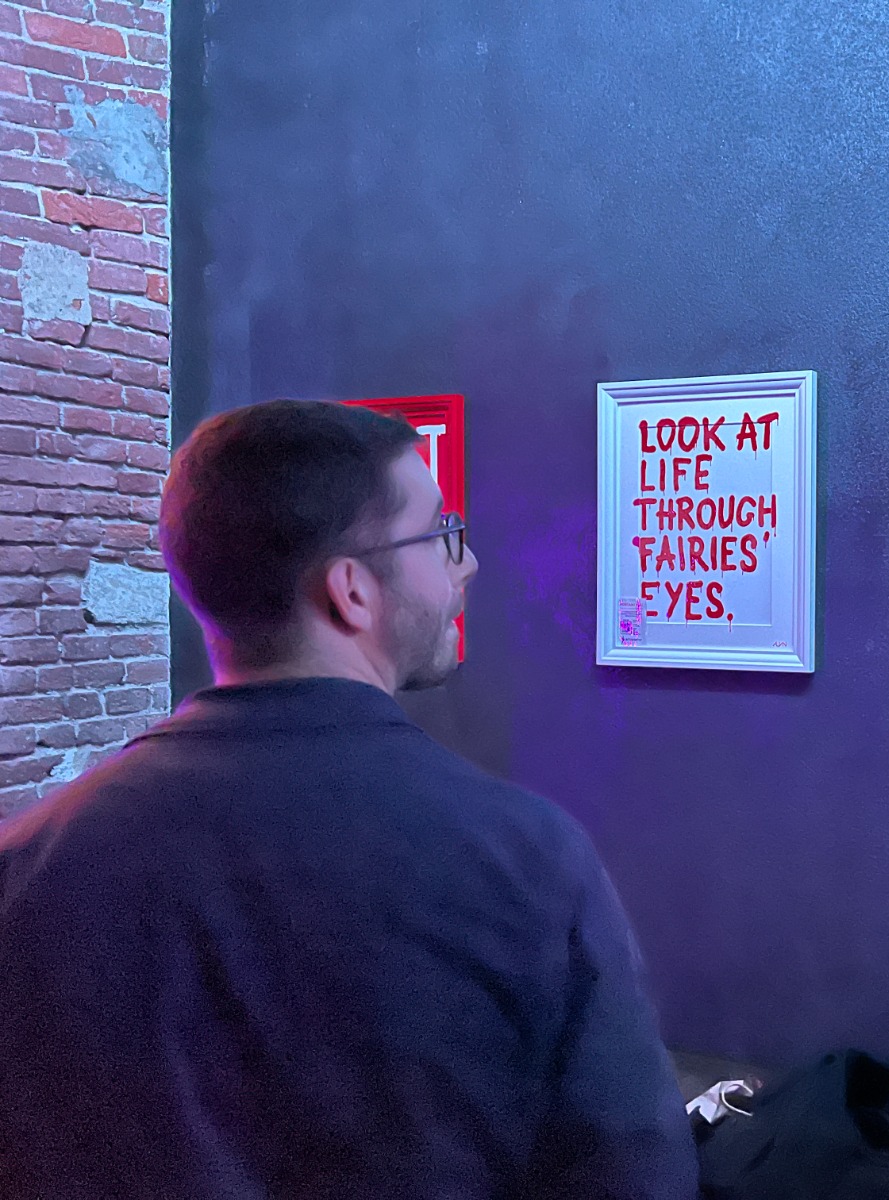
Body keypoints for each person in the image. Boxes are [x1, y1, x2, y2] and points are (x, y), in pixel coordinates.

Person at [0, 399, 698, 1198]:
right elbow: (632, 1178)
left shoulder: (29, 863)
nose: (467, 563)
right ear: (351, 592)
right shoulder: (529, 861)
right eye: (441, 535)